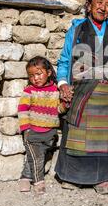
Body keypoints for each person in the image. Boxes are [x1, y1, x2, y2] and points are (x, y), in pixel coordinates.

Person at [55, 0, 108, 195]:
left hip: (107, 93)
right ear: (89, 5)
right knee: (76, 134)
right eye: (99, 2)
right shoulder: (77, 29)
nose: (103, 7)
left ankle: (102, 179)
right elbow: (64, 60)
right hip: (81, 91)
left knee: (103, 138)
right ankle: (72, 177)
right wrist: (62, 84)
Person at [17, 56, 69, 195]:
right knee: (36, 158)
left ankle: (25, 177)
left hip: (49, 133)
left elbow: (57, 110)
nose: (35, 78)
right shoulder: (29, 91)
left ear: (49, 73)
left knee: (34, 158)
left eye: (39, 74)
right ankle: (38, 182)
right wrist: (25, 129)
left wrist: (64, 106)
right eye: (31, 75)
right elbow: (22, 110)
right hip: (33, 131)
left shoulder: (55, 90)